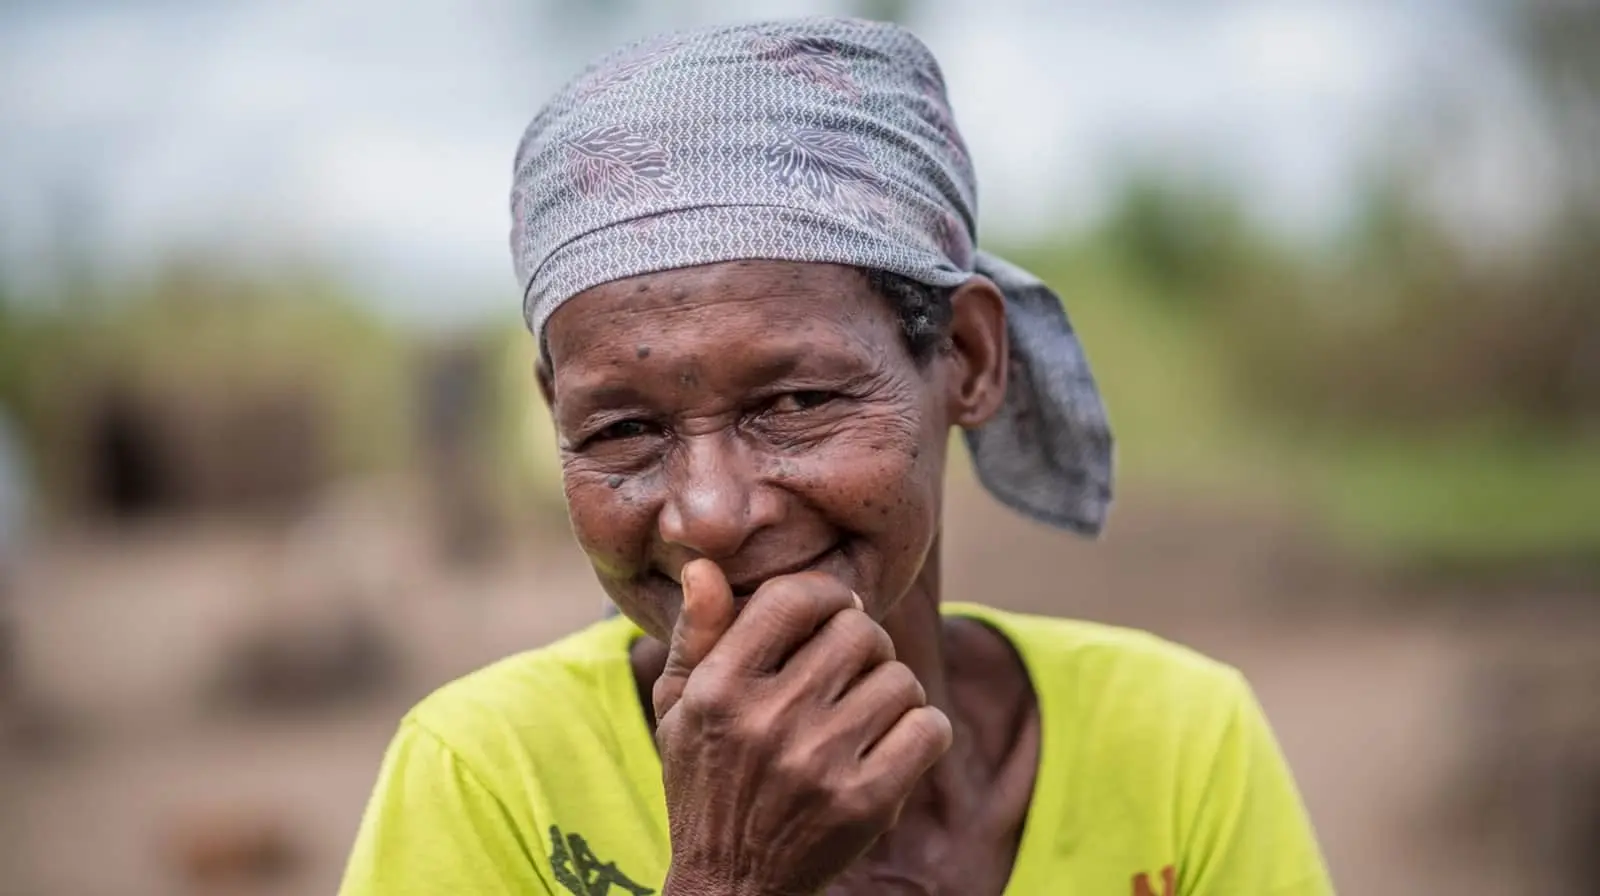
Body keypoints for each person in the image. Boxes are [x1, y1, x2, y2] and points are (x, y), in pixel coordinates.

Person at [340, 17, 1333, 895]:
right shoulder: (486, 777)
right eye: (622, 431)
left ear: (966, 359)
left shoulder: (1174, 745)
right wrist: (730, 876)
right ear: (554, 413)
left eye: (796, 402)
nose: (708, 513)